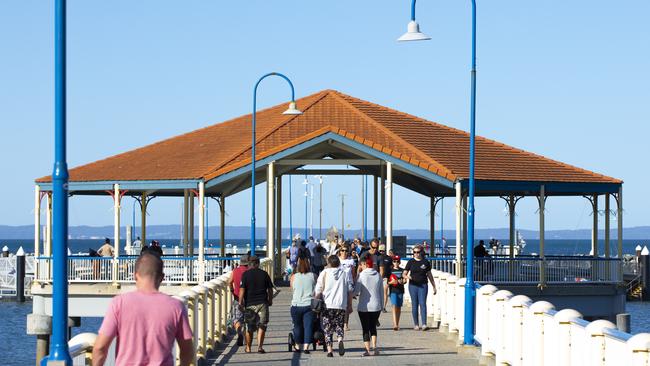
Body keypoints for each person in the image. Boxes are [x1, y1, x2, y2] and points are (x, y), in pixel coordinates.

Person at [92, 253, 193, 365]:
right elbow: (187, 351)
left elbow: (100, 348)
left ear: (135, 275)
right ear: (162, 277)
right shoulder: (176, 306)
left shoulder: (119, 303)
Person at [315, 255, 353, 357]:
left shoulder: (324, 273)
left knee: (328, 328)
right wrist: (350, 305)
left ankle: (330, 351)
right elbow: (350, 291)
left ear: (329, 263)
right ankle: (340, 340)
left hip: (327, 305)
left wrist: (315, 299)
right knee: (339, 325)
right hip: (341, 305)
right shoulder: (344, 274)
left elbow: (318, 289)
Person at [239, 255, 274, 353]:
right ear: (258, 263)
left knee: (249, 327)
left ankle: (248, 348)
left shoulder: (245, 275)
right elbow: (270, 289)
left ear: (249, 264)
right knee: (262, 325)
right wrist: (270, 300)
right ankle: (259, 347)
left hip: (250, 304)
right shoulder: (264, 274)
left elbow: (242, 289)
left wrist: (240, 302)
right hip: (263, 303)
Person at [354, 254, 384, 356]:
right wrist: (382, 306)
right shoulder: (378, 275)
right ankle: (375, 347)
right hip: (376, 306)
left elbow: (357, 291)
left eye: (361, 265)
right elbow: (381, 292)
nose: (360, 267)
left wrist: (352, 295)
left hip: (364, 306)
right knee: (373, 327)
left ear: (364, 264)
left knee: (365, 329)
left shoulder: (362, 275)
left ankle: (367, 350)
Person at [403, 244, 437, 331]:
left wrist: (434, 286)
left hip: (423, 285)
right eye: (414, 252)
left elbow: (429, 275)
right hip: (413, 285)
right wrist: (407, 277)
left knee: (422, 304)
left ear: (421, 252)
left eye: (418, 252)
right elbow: (404, 273)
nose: (416, 254)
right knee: (415, 304)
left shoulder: (425, 262)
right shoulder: (411, 262)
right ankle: (416, 324)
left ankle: (424, 324)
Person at [290, 257, 316, 354]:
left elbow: (292, 289)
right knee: (308, 326)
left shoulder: (293, 277)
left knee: (297, 326)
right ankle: (306, 347)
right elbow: (317, 288)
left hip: (296, 305)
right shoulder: (313, 276)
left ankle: (297, 345)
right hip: (309, 305)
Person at [227, 254, 250, 346]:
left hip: (237, 297)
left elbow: (229, 282)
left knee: (237, 318)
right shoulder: (249, 271)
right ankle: (246, 335)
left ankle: (239, 333)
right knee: (248, 319)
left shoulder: (235, 271)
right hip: (248, 298)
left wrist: (232, 290)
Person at [337, 243, 356, 331]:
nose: (344, 252)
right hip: (339, 284)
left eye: (346, 251)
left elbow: (353, 273)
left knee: (348, 305)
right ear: (339, 252)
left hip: (349, 284)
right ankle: (339, 323)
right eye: (342, 250)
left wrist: (354, 284)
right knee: (340, 304)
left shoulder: (351, 261)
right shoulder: (337, 260)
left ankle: (345, 324)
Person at [388, 255, 405, 330]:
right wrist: (391, 282)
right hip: (393, 290)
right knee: (394, 306)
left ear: (400, 262)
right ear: (392, 262)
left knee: (398, 307)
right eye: (394, 261)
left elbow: (405, 280)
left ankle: (397, 323)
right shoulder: (390, 271)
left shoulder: (402, 270)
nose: (396, 263)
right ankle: (395, 324)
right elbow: (387, 282)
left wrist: (403, 282)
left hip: (400, 290)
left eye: (397, 261)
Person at [378, 244, 392, 312]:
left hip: (386, 278)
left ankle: (384, 307)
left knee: (385, 292)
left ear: (385, 251)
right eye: (380, 251)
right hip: (377, 278)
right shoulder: (377, 257)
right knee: (378, 292)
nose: (381, 252)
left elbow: (391, 267)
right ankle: (379, 306)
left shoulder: (389, 258)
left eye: (382, 251)